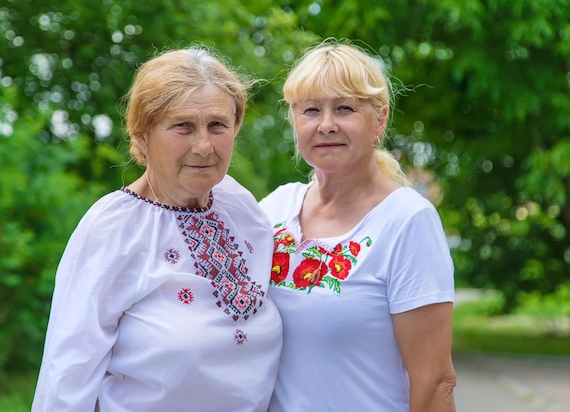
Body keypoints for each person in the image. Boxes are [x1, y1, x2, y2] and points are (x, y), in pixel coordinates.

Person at [32, 46, 282, 411]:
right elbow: (67, 373)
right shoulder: (113, 227)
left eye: (217, 125)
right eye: (182, 126)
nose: (203, 146)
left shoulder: (242, 210)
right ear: (143, 135)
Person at [260, 40, 456, 412]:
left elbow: (435, 383)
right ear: (295, 121)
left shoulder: (407, 220)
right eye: (311, 110)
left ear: (379, 120)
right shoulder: (274, 209)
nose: (327, 124)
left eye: (345, 108)